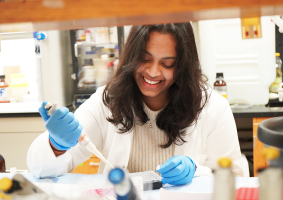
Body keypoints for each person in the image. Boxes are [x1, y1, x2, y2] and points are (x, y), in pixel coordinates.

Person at [27, 23, 244, 185]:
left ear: (182, 66)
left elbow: (235, 178)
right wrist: (56, 145)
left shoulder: (211, 107)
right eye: (145, 59)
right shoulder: (108, 100)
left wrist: (196, 171)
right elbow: (40, 169)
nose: (153, 72)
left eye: (167, 63)